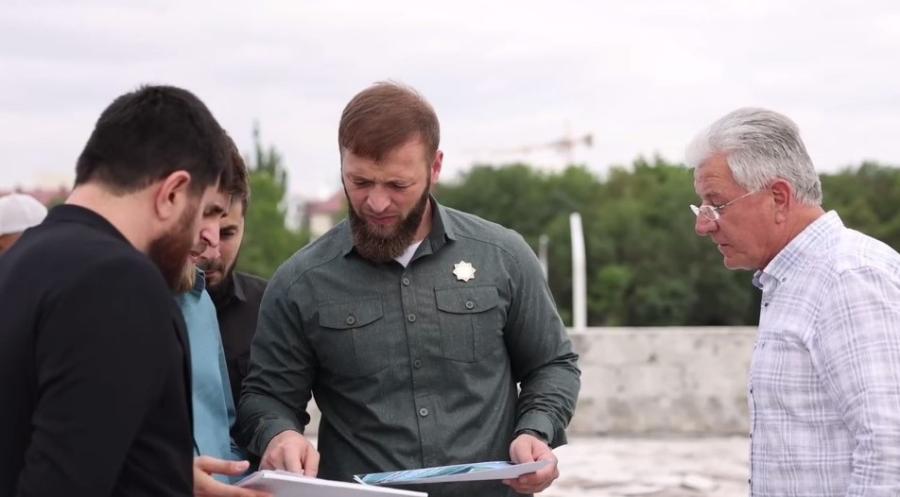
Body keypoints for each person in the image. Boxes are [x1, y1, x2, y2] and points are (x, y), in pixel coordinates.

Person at [238, 82, 581, 497]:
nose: (377, 203)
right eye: (360, 182)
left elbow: (552, 364)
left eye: (397, 186)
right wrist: (279, 435)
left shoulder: (503, 257)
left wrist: (536, 431)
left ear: (435, 168)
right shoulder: (299, 281)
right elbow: (266, 396)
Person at [0, 85, 232, 496]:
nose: (206, 236)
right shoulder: (119, 283)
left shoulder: (22, 259)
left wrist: (157, 469)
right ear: (172, 193)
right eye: (202, 211)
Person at [687, 108, 900, 496]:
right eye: (701, 207)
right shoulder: (794, 280)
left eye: (716, 204)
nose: (703, 225)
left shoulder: (847, 277)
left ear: (779, 198)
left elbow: (890, 448)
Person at [201, 139, 268, 405]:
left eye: (227, 233)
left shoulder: (269, 308)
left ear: (244, 228)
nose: (213, 251)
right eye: (201, 232)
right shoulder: (143, 306)